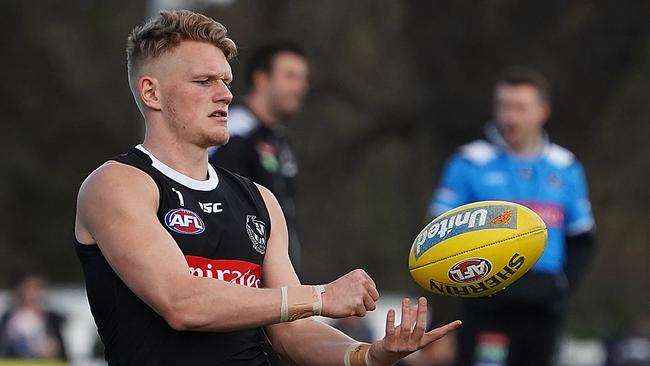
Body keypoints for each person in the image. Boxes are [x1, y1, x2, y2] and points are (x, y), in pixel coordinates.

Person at [74, 10, 460, 365]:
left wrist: (369, 355)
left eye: (225, 81)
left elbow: (293, 332)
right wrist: (322, 296)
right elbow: (182, 303)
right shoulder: (117, 184)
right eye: (203, 81)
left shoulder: (259, 200)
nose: (225, 93)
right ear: (151, 93)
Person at [428, 67, 596, 366]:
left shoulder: (566, 167)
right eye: (503, 106)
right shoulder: (469, 162)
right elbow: (437, 237)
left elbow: (582, 240)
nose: (509, 117)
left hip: (542, 311)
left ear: (543, 111)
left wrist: (560, 286)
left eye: (520, 107)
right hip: (487, 310)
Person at [209, 41, 308, 269]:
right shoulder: (231, 131)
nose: (300, 87)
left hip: (279, 277)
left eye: (303, 78)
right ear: (261, 79)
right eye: (290, 76)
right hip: (242, 278)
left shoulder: (278, 138)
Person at [0, 274, 67, 360]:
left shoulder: (52, 319)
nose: (31, 294)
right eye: (27, 289)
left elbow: (61, 350)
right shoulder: (8, 318)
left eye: (35, 289)